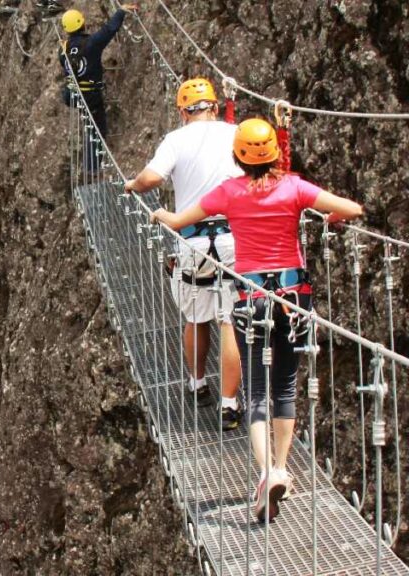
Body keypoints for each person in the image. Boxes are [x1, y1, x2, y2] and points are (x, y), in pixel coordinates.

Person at [150, 118, 363, 522]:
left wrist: (160, 212)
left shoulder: (229, 192)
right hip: (293, 300)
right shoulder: (296, 188)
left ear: (238, 157)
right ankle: (282, 467)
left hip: (252, 299)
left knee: (256, 390)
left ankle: (265, 472)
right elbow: (352, 208)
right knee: (285, 386)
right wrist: (328, 218)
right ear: (274, 155)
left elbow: (179, 222)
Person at [124, 78, 243, 430]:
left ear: (182, 112)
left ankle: (197, 383)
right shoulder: (234, 133)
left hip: (191, 241)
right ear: (215, 107)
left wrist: (132, 185)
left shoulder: (176, 140)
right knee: (229, 320)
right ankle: (229, 404)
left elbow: (151, 178)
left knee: (196, 317)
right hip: (234, 239)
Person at [58, 4, 138, 171]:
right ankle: (92, 169)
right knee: (96, 130)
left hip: (72, 93)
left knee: (90, 126)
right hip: (90, 95)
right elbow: (109, 29)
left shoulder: (63, 48)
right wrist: (121, 11)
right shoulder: (91, 44)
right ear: (82, 24)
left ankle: (91, 167)